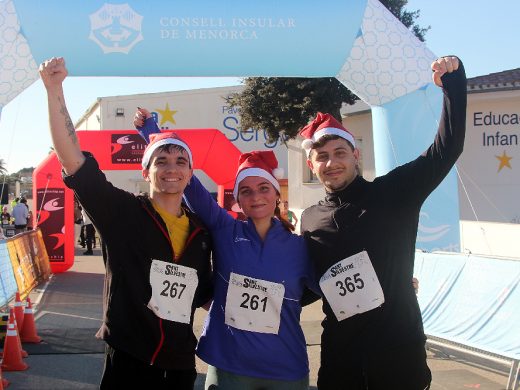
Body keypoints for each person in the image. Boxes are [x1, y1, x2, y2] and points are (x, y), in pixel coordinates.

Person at [40, 57, 213, 390]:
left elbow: (203, 292)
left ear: (190, 173)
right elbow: (73, 160)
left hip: (179, 363)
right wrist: (54, 89)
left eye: (180, 161)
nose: (171, 168)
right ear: (146, 172)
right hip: (129, 359)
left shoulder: (200, 231)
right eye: (161, 161)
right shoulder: (123, 212)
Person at [299, 56, 466, 389]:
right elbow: (309, 284)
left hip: (398, 359)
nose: (332, 162)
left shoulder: (394, 192)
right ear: (311, 164)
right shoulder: (309, 218)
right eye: (322, 156)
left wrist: (454, 83)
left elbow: (445, 149)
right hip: (340, 362)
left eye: (340, 152)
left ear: (356, 155)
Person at [136, 108, 316, 389]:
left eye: (263, 188)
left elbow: (332, 285)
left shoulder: (301, 246)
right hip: (229, 364)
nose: (256, 197)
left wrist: (392, 283)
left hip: (286, 367)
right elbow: (191, 186)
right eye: (246, 191)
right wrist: (151, 132)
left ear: (277, 194)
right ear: (238, 200)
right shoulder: (224, 230)